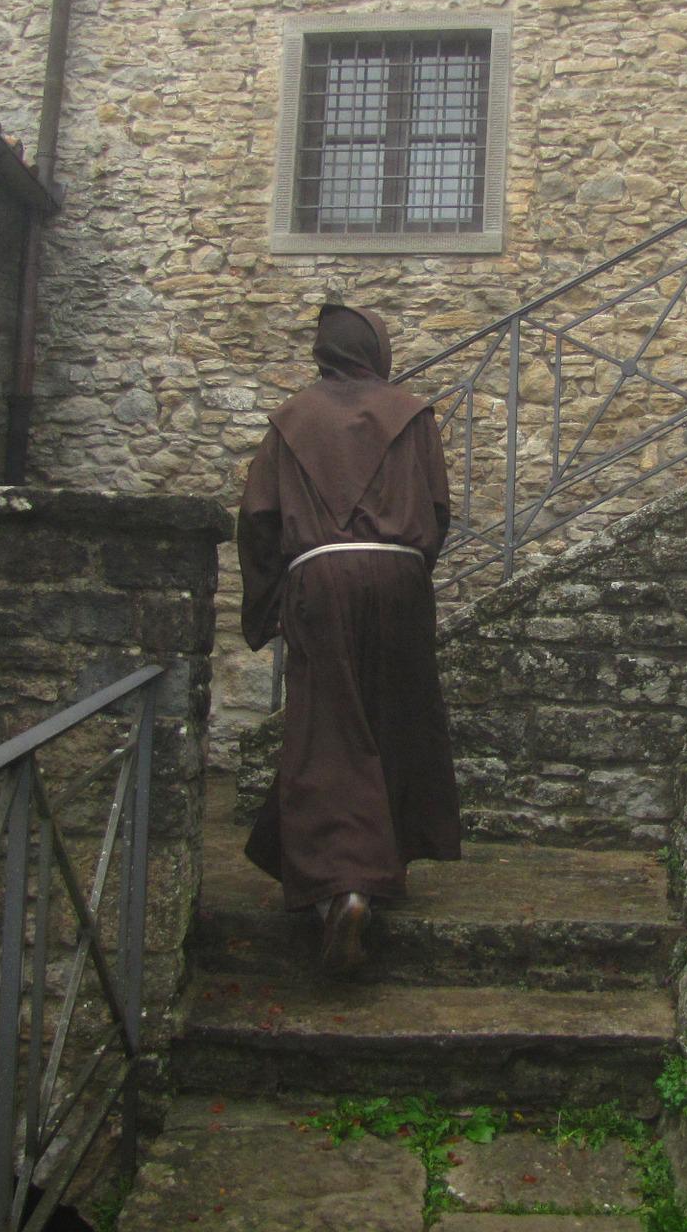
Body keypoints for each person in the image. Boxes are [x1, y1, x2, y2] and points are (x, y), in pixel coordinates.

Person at [236, 304, 463, 974]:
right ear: (376, 348)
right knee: (391, 718)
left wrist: (268, 602)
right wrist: (407, 572)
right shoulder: (412, 415)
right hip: (400, 575)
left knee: (330, 731)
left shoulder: (291, 421)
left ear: (324, 351)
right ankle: (375, 865)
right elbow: (440, 509)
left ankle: (347, 887)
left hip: (321, 578)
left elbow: (258, 520)